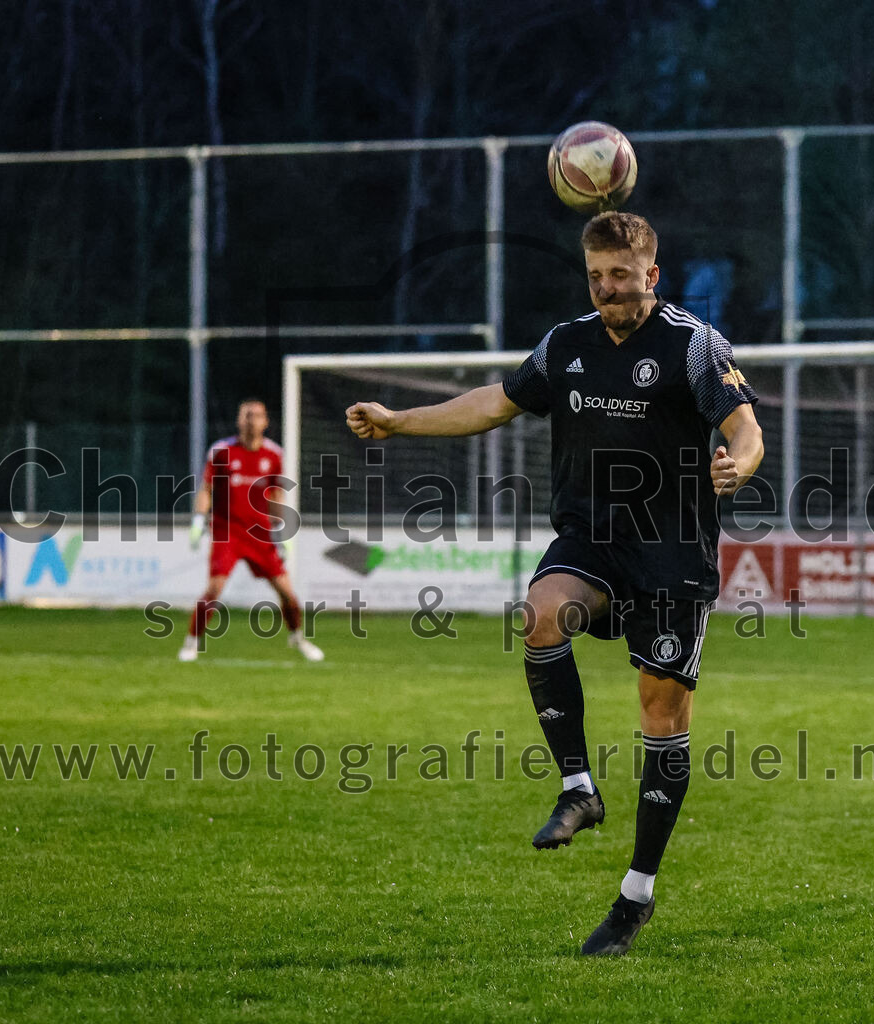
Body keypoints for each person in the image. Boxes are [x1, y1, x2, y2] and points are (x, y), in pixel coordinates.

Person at [345, 212, 762, 956]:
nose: (608, 290)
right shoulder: (565, 344)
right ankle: (578, 786)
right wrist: (399, 420)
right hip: (591, 538)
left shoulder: (693, 344)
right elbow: (494, 402)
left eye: (622, 277)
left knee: (660, 715)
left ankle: (637, 895)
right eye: (597, 276)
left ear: (651, 275)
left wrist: (740, 463)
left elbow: (744, 426)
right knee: (540, 616)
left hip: (672, 554)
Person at [178, 398, 324, 663]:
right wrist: (199, 520)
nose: (251, 420)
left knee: (287, 593)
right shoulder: (221, 451)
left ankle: (298, 638)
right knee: (214, 589)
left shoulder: (274, 455)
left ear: (266, 422)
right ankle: (192, 642)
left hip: (260, 534)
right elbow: (206, 489)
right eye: (246, 415)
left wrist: (281, 528)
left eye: (257, 415)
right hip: (227, 532)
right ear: (238, 420)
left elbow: (276, 495)